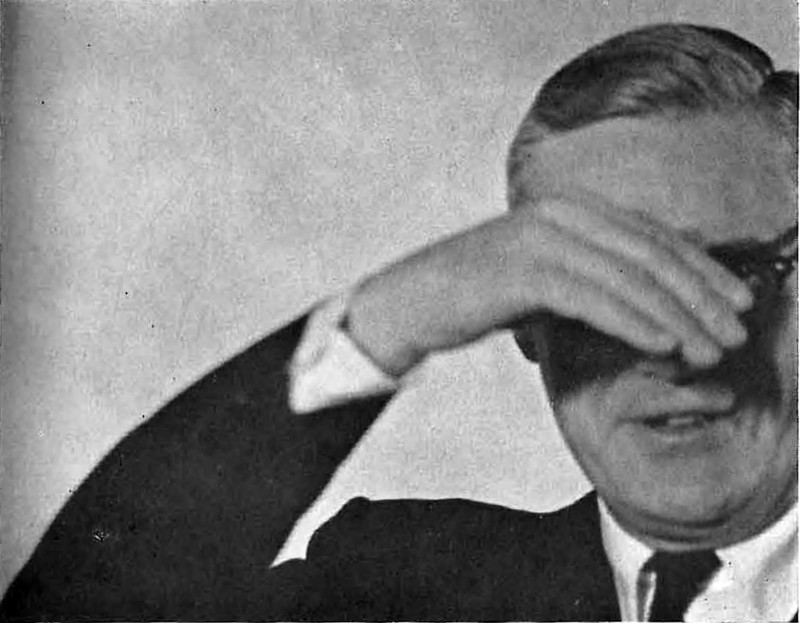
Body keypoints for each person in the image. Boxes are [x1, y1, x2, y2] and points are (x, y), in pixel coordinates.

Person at [1, 23, 797, 622]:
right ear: (524, 321)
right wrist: (387, 321)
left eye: (733, 274)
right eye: (599, 287)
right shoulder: (397, 584)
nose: (674, 347)